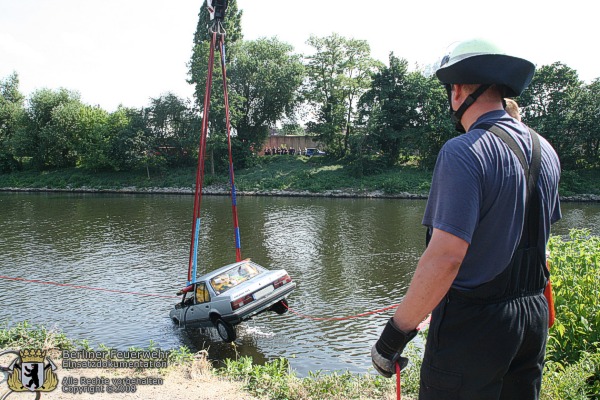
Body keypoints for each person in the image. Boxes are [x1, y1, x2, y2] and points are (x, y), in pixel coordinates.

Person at [371, 38, 561, 399]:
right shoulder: (545, 149)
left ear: (457, 91)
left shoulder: (463, 152)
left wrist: (393, 337)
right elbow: (542, 246)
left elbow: (445, 258)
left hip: (475, 328)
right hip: (531, 320)